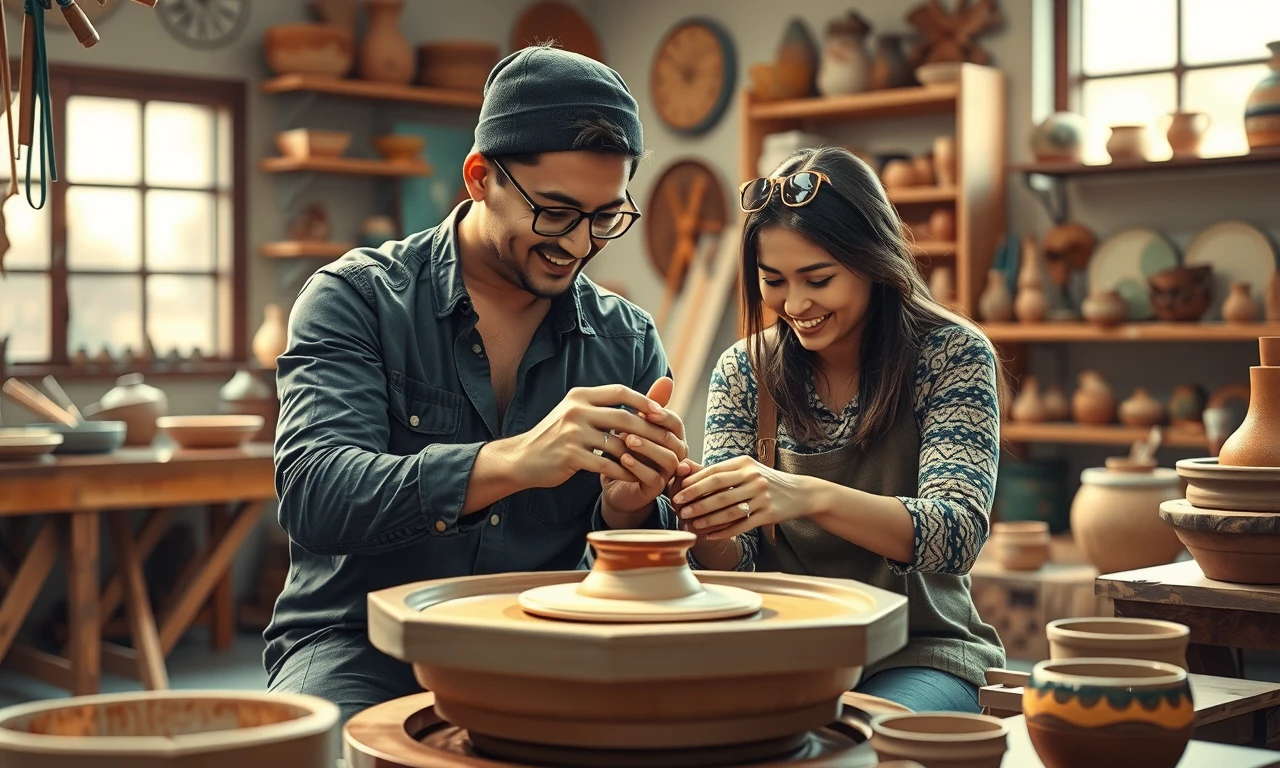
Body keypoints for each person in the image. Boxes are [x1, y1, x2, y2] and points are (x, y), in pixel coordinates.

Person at [264, 45, 690, 724]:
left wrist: (631, 512)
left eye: (605, 216)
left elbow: (643, 575)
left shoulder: (629, 341)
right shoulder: (356, 299)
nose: (579, 245)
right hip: (361, 647)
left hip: (550, 650)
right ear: (478, 177)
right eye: (555, 212)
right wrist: (512, 461)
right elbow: (316, 494)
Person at [671, 146, 1006, 713]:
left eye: (818, 279)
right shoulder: (744, 370)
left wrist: (802, 495)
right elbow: (739, 564)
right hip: (776, 650)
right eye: (772, 281)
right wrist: (705, 520)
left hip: (917, 651)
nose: (795, 303)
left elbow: (956, 534)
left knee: (865, 747)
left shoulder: (949, 354)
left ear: (873, 261)